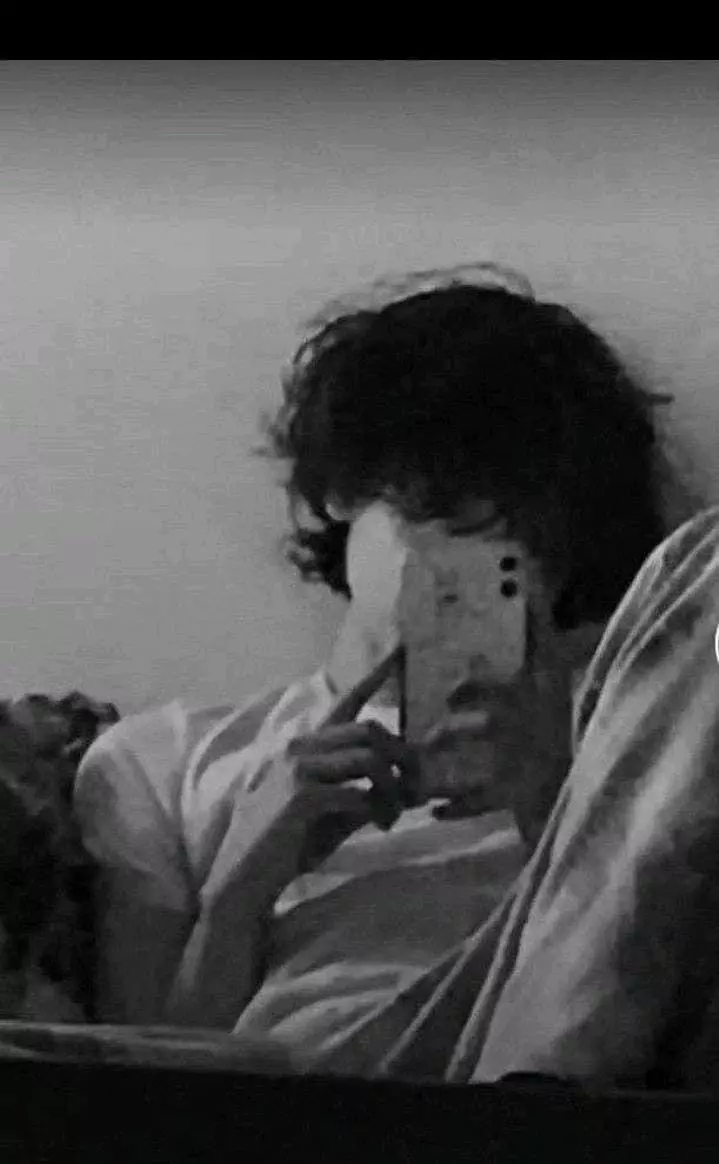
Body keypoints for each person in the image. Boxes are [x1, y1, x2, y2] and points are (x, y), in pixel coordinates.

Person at [73, 263, 679, 1074]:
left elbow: (653, 1023)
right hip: (293, 1096)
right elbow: (138, 1089)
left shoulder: (644, 739)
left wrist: (558, 807)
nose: (475, 570)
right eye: (442, 518)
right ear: (341, 496)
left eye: (523, 540)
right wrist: (239, 891)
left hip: (523, 1092)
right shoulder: (160, 762)